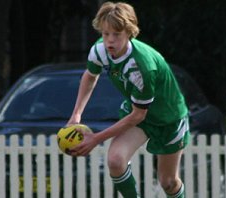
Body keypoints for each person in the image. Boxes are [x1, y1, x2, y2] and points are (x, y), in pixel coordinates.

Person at [67, 1, 190, 198]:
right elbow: (90, 76)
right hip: (139, 113)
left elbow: (137, 116)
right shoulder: (99, 51)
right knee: (116, 160)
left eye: (116, 34)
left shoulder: (142, 66)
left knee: (168, 182)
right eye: (106, 34)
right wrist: (76, 115)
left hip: (169, 118)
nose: (109, 41)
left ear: (129, 32)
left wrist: (96, 139)